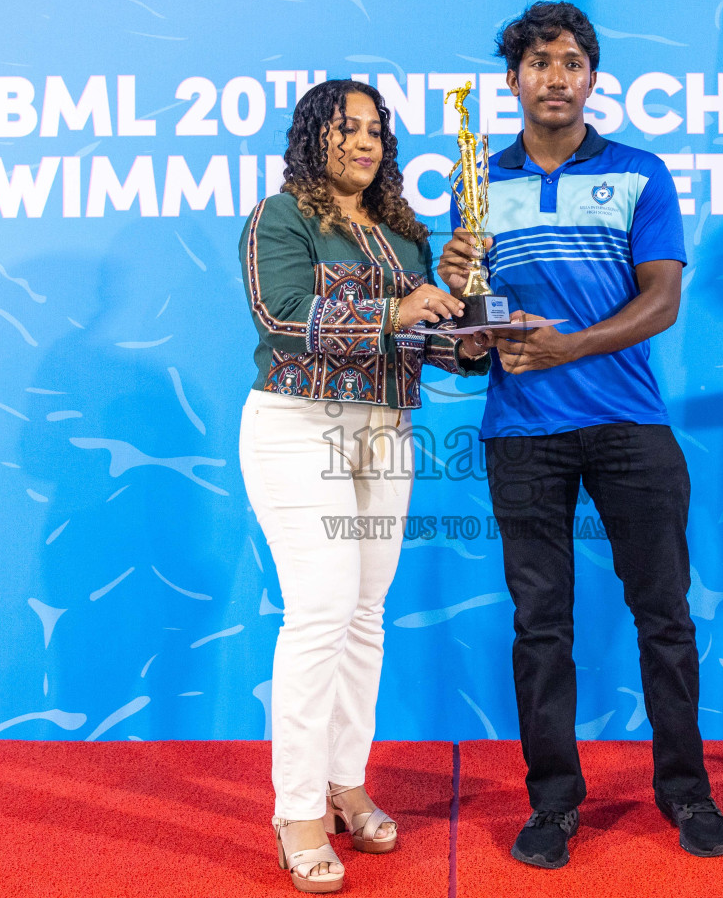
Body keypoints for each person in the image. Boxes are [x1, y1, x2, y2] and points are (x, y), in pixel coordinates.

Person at [438, 1, 723, 868]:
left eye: (571, 62)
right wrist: (460, 298)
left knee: (665, 618)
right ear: (513, 81)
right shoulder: (476, 183)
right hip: (522, 432)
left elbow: (662, 300)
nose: (555, 77)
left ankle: (686, 792)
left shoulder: (641, 174)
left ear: (593, 77)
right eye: (539, 63)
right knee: (541, 626)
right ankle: (554, 802)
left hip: (629, 426)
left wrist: (572, 342)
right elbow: (468, 342)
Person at [239, 79, 490, 891]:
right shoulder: (282, 218)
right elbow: (280, 315)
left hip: (385, 435)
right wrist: (400, 308)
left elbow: (437, 344)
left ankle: (346, 783)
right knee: (318, 614)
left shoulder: (405, 235)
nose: (362, 140)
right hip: (297, 425)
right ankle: (297, 811)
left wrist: (470, 321)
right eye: (344, 127)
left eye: (375, 128)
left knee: (365, 616)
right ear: (312, 137)